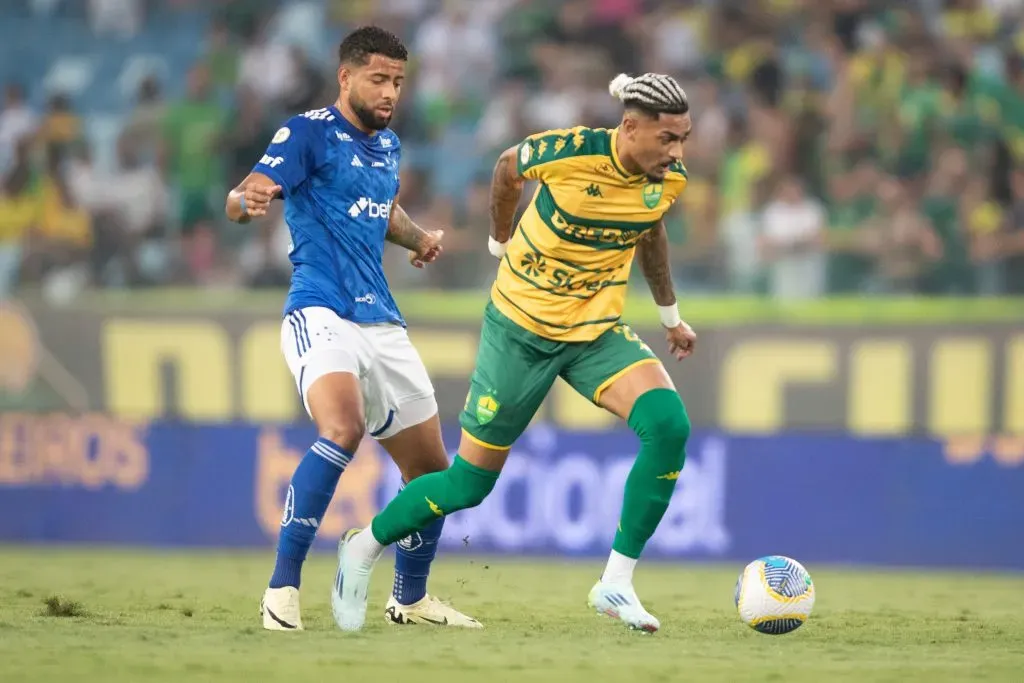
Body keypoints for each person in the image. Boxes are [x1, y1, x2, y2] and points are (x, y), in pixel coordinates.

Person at [334, 72, 697, 633]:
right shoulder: (572, 151)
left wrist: (670, 316)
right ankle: (363, 545)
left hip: (595, 332)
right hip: (520, 333)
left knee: (669, 426)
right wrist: (499, 239)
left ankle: (616, 583)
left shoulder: (667, 181)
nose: (677, 153)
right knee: (468, 486)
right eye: (668, 139)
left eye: (684, 139)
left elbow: (649, 229)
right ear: (629, 127)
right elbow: (507, 167)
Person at [224, 26, 481, 632]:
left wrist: (418, 238)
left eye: (398, 80)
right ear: (346, 77)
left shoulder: (388, 145)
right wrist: (247, 199)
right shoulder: (308, 130)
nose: (391, 91)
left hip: (383, 321)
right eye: (379, 79)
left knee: (434, 476)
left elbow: (379, 208)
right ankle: (282, 591)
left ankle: (410, 599)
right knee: (342, 427)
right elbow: (246, 193)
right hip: (320, 309)